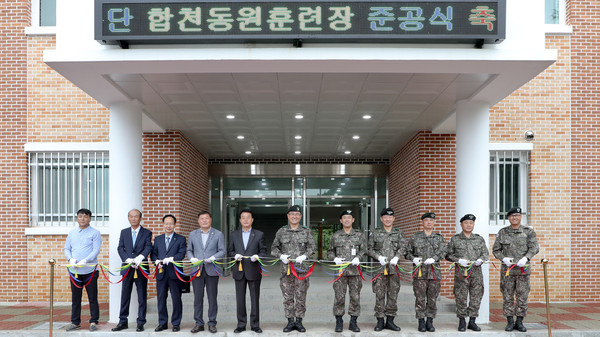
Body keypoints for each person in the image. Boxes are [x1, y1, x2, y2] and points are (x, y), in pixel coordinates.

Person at [492, 207, 539, 332]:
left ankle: (519, 322)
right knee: (507, 296)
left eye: (517, 215)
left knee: (522, 297)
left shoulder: (528, 232)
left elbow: (534, 248)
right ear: (508, 218)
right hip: (507, 271)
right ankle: (509, 322)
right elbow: (496, 250)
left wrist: (526, 258)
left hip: (523, 271)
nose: (514, 218)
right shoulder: (502, 232)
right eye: (512, 216)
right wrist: (503, 259)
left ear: (520, 217)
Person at [271, 205, 316, 333]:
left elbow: (312, 248)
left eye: (297, 214)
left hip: (302, 270)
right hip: (286, 270)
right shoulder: (281, 231)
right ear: (288, 216)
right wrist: (281, 256)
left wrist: (305, 256)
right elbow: (274, 248)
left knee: (301, 296)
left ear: (300, 216)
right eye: (292, 214)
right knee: (287, 297)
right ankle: (290, 321)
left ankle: (299, 321)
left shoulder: (306, 231)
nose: (294, 216)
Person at [446, 213, 489, 332]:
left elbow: (485, 254)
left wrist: (481, 260)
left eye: (471, 223)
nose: (469, 225)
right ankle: (461, 321)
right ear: (461, 224)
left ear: (473, 224)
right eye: (466, 223)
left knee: (476, 297)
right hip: (461, 274)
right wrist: (458, 260)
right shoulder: (455, 239)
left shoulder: (479, 239)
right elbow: (448, 255)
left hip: (476, 274)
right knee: (461, 297)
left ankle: (472, 322)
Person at [112, 209, 153, 332]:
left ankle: (140, 322)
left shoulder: (147, 232)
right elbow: (120, 247)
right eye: (131, 216)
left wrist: (140, 258)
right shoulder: (124, 232)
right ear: (128, 218)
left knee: (141, 296)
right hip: (127, 267)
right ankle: (122, 321)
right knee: (125, 296)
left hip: (141, 268)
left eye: (136, 216)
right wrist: (127, 259)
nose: (133, 218)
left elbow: (148, 246)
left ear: (140, 218)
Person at [367, 207, 407, 332]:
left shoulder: (398, 233)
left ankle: (390, 321)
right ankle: (380, 320)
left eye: (390, 217)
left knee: (393, 294)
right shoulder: (375, 233)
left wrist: (396, 257)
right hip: (379, 270)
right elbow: (368, 248)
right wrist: (377, 256)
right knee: (379, 294)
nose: (388, 219)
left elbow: (403, 247)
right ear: (381, 219)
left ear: (393, 218)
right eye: (385, 217)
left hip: (394, 270)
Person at [406, 212, 447, 332]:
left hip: (434, 273)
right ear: (422, 222)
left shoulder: (439, 238)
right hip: (419, 274)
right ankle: (421, 321)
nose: (429, 222)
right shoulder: (415, 237)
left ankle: (430, 321)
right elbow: (407, 252)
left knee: (432, 298)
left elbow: (444, 251)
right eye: (426, 220)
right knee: (420, 298)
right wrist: (413, 258)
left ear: (434, 222)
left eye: (431, 220)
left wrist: (434, 258)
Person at [228, 209, 267, 333]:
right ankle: (241, 324)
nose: (245, 220)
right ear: (240, 220)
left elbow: (263, 251)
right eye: (243, 217)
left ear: (252, 220)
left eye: (248, 217)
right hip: (239, 271)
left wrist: (258, 256)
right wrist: (234, 255)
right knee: (240, 299)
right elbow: (230, 251)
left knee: (255, 299)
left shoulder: (259, 234)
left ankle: (255, 324)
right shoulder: (234, 234)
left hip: (253, 270)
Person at [327, 209, 366, 333]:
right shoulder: (336, 235)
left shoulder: (359, 235)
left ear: (353, 219)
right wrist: (335, 258)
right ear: (341, 220)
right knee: (339, 297)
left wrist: (358, 258)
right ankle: (339, 321)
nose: (347, 219)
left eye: (349, 217)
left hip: (355, 272)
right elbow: (329, 252)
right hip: (340, 272)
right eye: (344, 218)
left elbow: (364, 250)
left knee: (355, 297)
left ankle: (353, 322)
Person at [187, 211, 226, 334]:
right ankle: (198, 323)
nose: (204, 220)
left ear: (211, 220)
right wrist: (191, 258)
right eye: (202, 218)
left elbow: (222, 250)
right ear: (198, 221)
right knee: (198, 298)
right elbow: (189, 250)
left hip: (212, 270)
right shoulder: (193, 234)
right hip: (197, 270)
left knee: (212, 297)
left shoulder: (218, 234)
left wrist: (214, 257)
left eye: (206, 218)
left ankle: (212, 323)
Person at [64, 208, 102, 332]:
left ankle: (93, 321)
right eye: (80, 216)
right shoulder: (72, 233)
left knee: (92, 297)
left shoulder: (95, 233)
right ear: (77, 218)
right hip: (75, 271)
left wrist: (86, 260)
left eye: (85, 216)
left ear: (90, 218)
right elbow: (67, 249)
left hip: (90, 270)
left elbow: (96, 250)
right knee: (76, 298)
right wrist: (70, 259)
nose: (83, 219)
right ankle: (75, 322)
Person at [151, 214, 187, 332]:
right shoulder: (158, 239)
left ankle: (176, 323)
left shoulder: (180, 239)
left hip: (174, 273)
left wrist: (172, 258)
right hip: (161, 273)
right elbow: (153, 254)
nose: (168, 226)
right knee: (161, 299)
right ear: (163, 225)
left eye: (171, 223)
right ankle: (162, 323)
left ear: (175, 225)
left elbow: (181, 254)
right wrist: (155, 261)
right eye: (166, 223)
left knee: (176, 298)